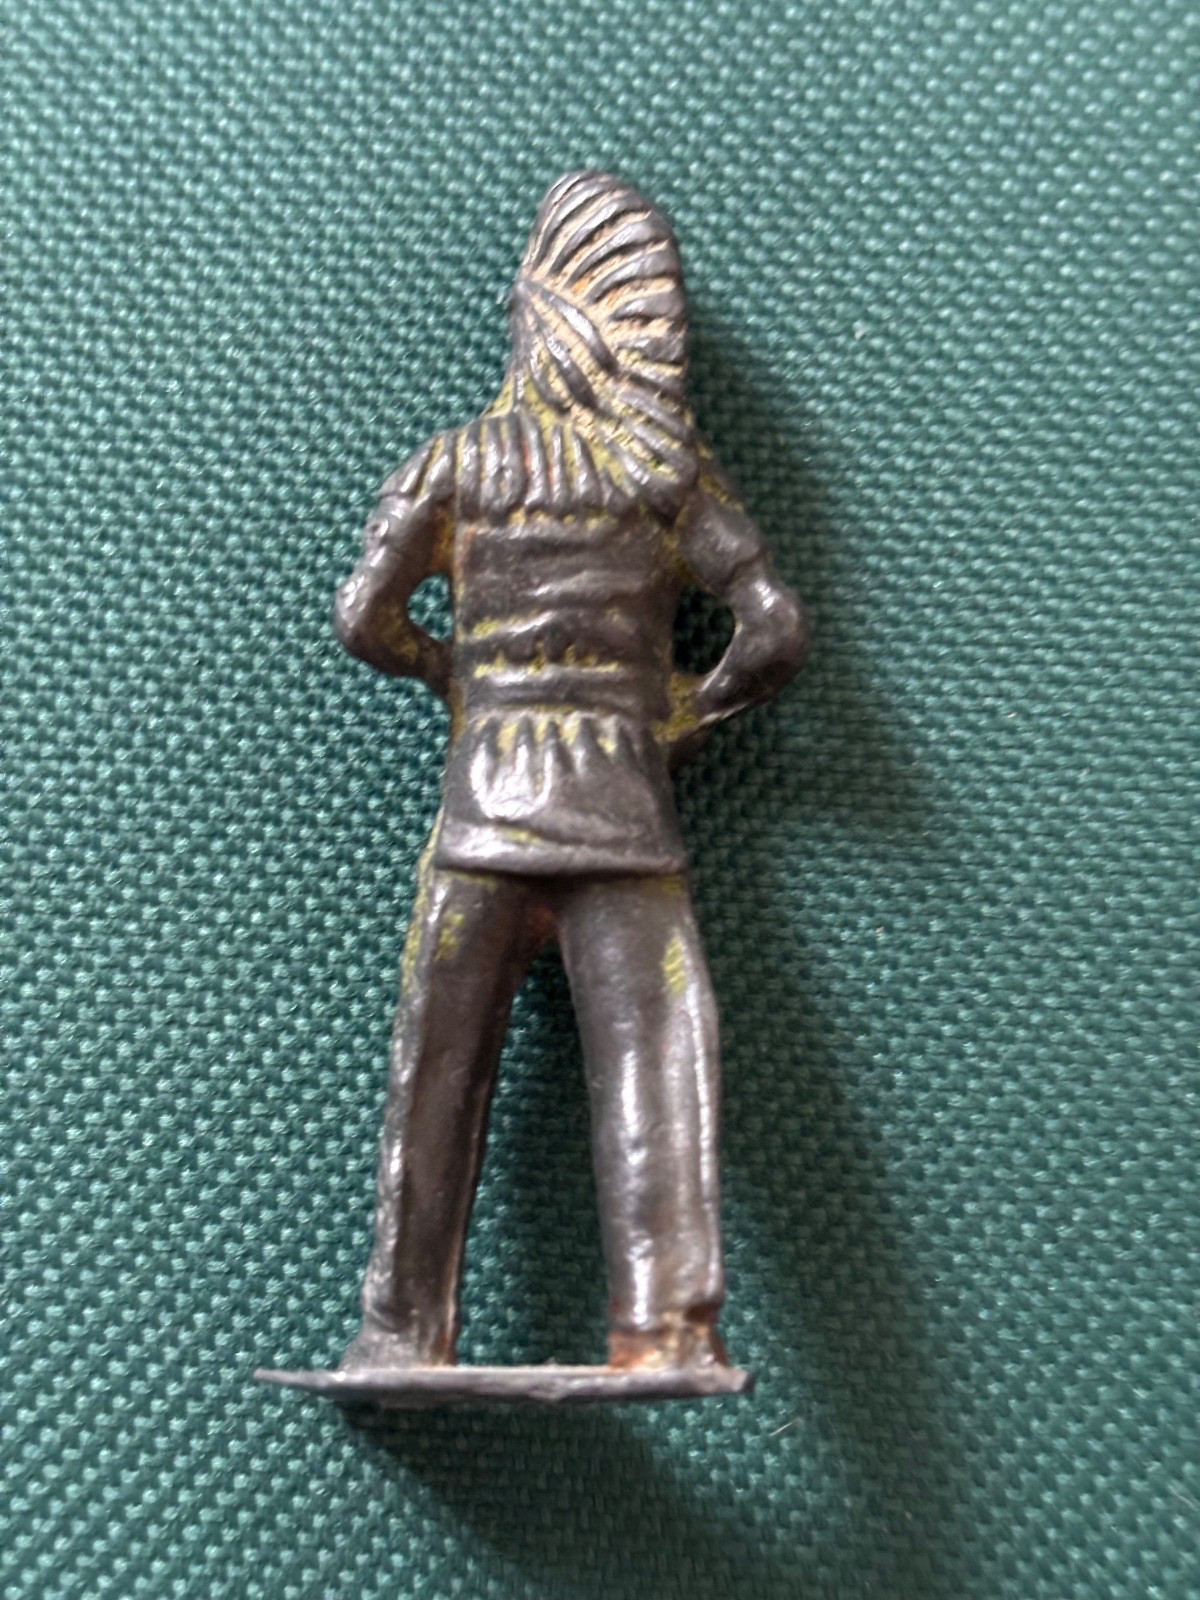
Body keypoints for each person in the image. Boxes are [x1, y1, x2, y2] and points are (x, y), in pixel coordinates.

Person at [333, 170, 809, 1373]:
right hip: (624, 814)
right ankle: (669, 1327)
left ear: (538, 324)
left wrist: (453, 674)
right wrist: (687, 708)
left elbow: (364, 619)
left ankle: (400, 1328)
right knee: (657, 1064)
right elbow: (773, 627)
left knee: (437, 1074)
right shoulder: (665, 476)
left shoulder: (456, 468)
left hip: (485, 812)